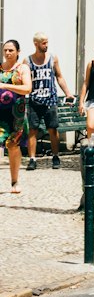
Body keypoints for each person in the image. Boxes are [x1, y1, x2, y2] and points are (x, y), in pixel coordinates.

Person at [25, 32, 74, 170]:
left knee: (53, 129)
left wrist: (68, 93)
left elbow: (59, 76)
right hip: (34, 99)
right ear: (36, 44)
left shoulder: (52, 58)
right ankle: (32, 159)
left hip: (50, 99)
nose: (46, 45)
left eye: (47, 42)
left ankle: (55, 156)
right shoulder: (28, 61)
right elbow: (24, 79)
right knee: (33, 130)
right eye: (43, 43)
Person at [0, 39, 31, 194]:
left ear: (18, 52)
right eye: (5, 50)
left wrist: (5, 85)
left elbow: (27, 88)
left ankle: (14, 181)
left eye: (11, 50)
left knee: (13, 147)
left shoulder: (22, 68)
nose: (7, 53)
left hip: (15, 115)